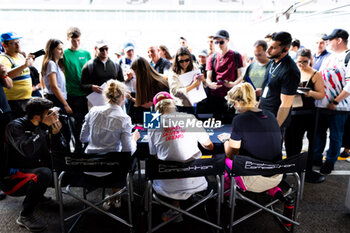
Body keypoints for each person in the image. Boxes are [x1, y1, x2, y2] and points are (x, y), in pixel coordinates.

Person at [148, 91, 213, 221]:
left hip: (166, 183)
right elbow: (209, 146)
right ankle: (188, 200)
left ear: (156, 108)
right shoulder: (189, 118)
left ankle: (175, 208)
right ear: (173, 104)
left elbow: (154, 154)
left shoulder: (153, 123)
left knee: (168, 163)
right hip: (195, 179)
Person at [1, 98, 62, 232]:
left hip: (29, 169)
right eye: (48, 113)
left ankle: (36, 196)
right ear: (36, 116)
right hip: (11, 179)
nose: (52, 116)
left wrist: (56, 135)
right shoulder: (15, 127)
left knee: (57, 167)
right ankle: (25, 215)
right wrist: (42, 128)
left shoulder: (40, 126)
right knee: (44, 174)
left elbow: (51, 153)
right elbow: (27, 150)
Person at [80, 80, 140, 209]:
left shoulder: (93, 111)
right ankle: (115, 194)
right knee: (127, 158)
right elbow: (127, 150)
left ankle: (114, 195)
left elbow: (83, 139)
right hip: (112, 171)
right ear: (123, 97)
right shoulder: (124, 118)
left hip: (89, 168)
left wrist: (98, 137)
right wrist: (134, 139)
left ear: (106, 96)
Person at [219, 83, 283, 194]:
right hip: (277, 175)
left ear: (237, 102)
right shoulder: (270, 115)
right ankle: (271, 190)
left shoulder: (240, 120)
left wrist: (225, 140)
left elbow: (231, 154)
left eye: (232, 104)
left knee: (220, 157)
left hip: (254, 179)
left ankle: (226, 194)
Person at [285, 49, 325, 183]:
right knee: (291, 141)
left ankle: (306, 170)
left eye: (305, 62)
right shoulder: (293, 71)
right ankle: (293, 166)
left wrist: (309, 93)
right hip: (293, 111)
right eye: (299, 62)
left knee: (308, 142)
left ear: (310, 60)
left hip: (308, 113)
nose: (301, 64)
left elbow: (321, 94)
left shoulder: (315, 74)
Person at [313, 29, 350, 174]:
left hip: (339, 107)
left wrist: (335, 102)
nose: (328, 42)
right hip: (322, 104)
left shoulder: (348, 57)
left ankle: (330, 161)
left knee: (335, 135)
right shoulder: (329, 57)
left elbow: (349, 85)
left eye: (330, 40)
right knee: (319, 134)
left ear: (339, 40)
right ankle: (316, 157)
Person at [260, 31, 300, 129]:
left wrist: (275, 128)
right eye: (268, 46)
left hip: (275, 120)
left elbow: (285, 104)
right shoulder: (272, 62)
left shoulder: (290, 70)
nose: (267, 51)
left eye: (273, 48)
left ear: (285, 50)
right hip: (264, 114)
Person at [63, 27, 91, 153]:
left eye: (78, 40)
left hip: (87, 94)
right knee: (76, 124)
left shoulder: (86, 54)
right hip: (73, 94)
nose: (76, 43)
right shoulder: (64, 54)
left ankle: (87, 148)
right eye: (74, 41)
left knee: (88, 122)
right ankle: (78, 150)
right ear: (68, 40)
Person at [206, 29, 243, 123]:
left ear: (228, 40)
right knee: (216, 123)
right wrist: (211, 85)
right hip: (216, 96)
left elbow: (241, 75)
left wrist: (234, 83)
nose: (218, 44)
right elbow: (208, 78)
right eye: (216, 42)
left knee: (231, 123)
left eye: (221, 42)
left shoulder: (236, 55)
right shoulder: (212, 57)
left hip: (231, 95)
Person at [41, 39, 71, 150]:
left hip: (56, 99)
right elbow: (54, 87)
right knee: (62, 133)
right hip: (56, 100)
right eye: (59, 49)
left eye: (62, 49)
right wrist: (66, 104)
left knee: (62, 133)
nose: (62, 51)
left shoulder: (55, 64)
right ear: (52, 50)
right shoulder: (51, 63)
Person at [0, 32, 35, 119]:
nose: (18, 45)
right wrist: (24, 65)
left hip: (27, 99)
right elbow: (6, 76)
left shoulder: (20, 56)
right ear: (4, 45)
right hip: (15, 102)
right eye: (13, 43)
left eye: (18, 42)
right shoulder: (4, 58)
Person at [129, 57, 169, 123]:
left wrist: (130, 98)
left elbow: (147, 104)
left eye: (135, 72)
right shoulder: (157, 78)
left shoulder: (155, 84)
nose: (134, 74)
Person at [168, 47, 204, 114]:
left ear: (190, 59)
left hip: (193, 102)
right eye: (181, 61)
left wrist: (203, 81)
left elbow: (200, 84)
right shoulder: (173, 72)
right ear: (177, 61)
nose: (184, 63)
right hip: (179, 105)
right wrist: (193, 86)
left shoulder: (194, 66)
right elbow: (175, 91)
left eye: (187, 60)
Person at [0, 63, 13, 201]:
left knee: (6, 147)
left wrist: (3, 73)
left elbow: (9, 85)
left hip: (4, 110)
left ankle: (6, 178)